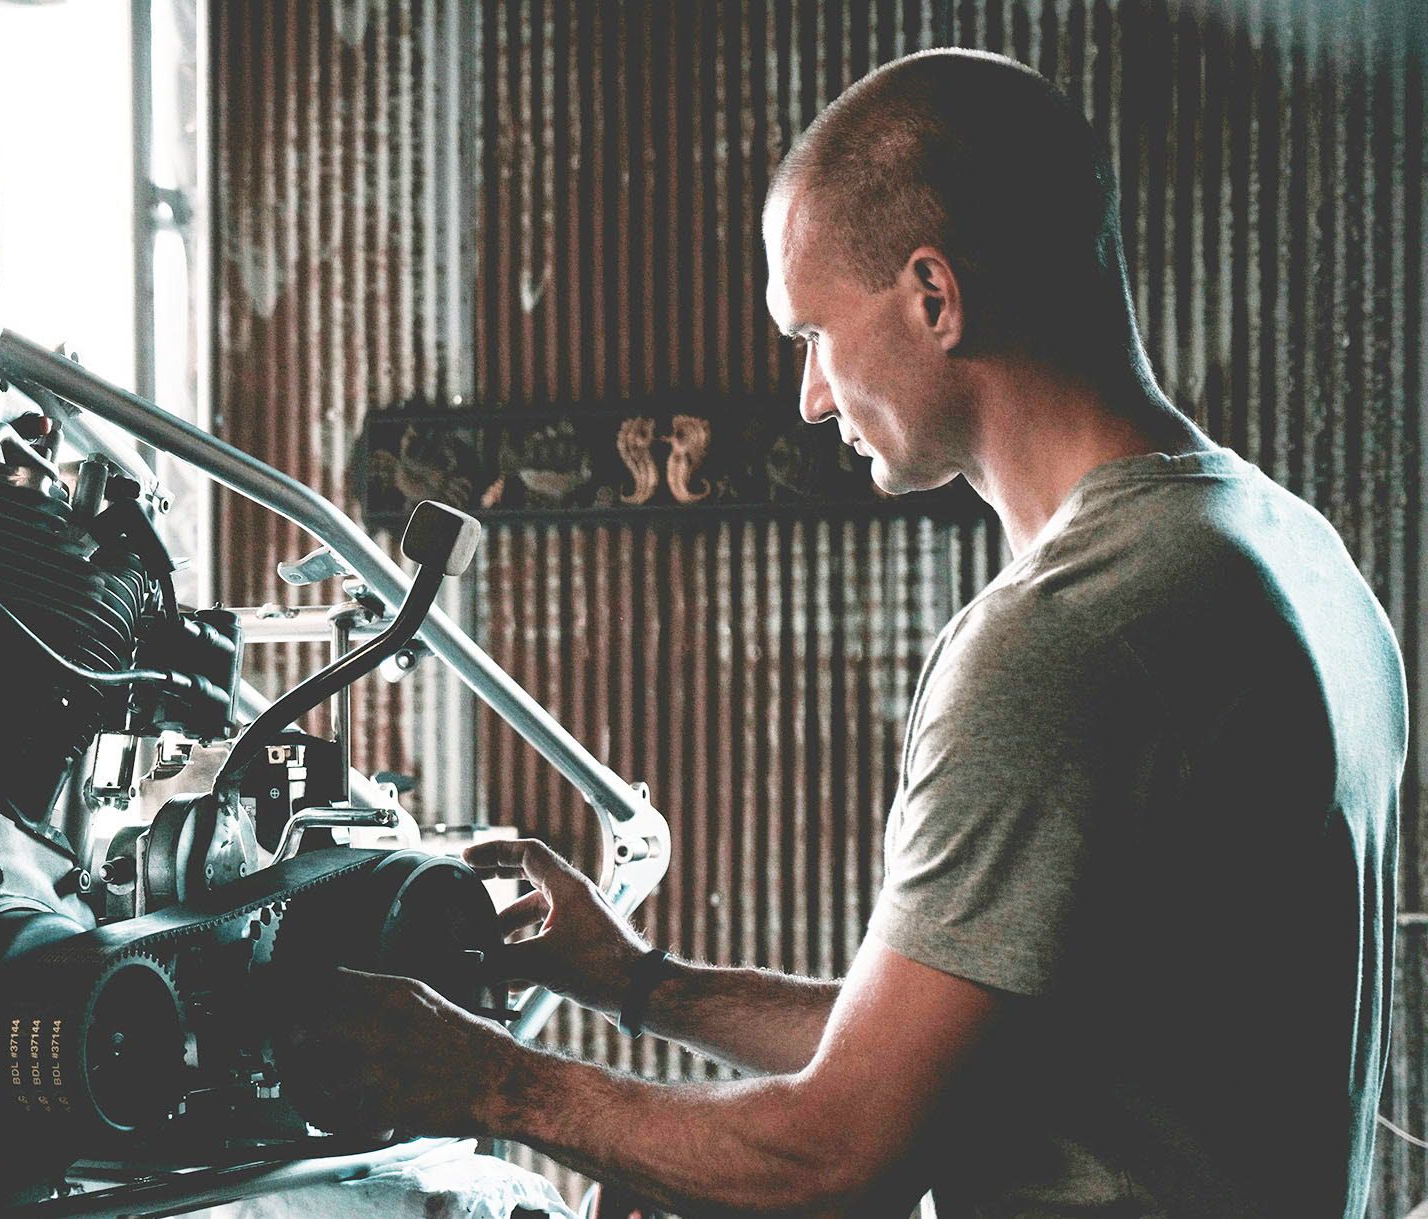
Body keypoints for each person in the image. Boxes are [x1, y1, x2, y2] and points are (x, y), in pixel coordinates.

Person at [288, 47, 1407, 1219]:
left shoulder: (1065, 638)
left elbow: (831, 1156)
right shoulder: (1287, 554)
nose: (809, 396)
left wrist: (486, 1082)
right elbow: (955, 1046)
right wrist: (635, 982)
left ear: (933, 296)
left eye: (810, 334)